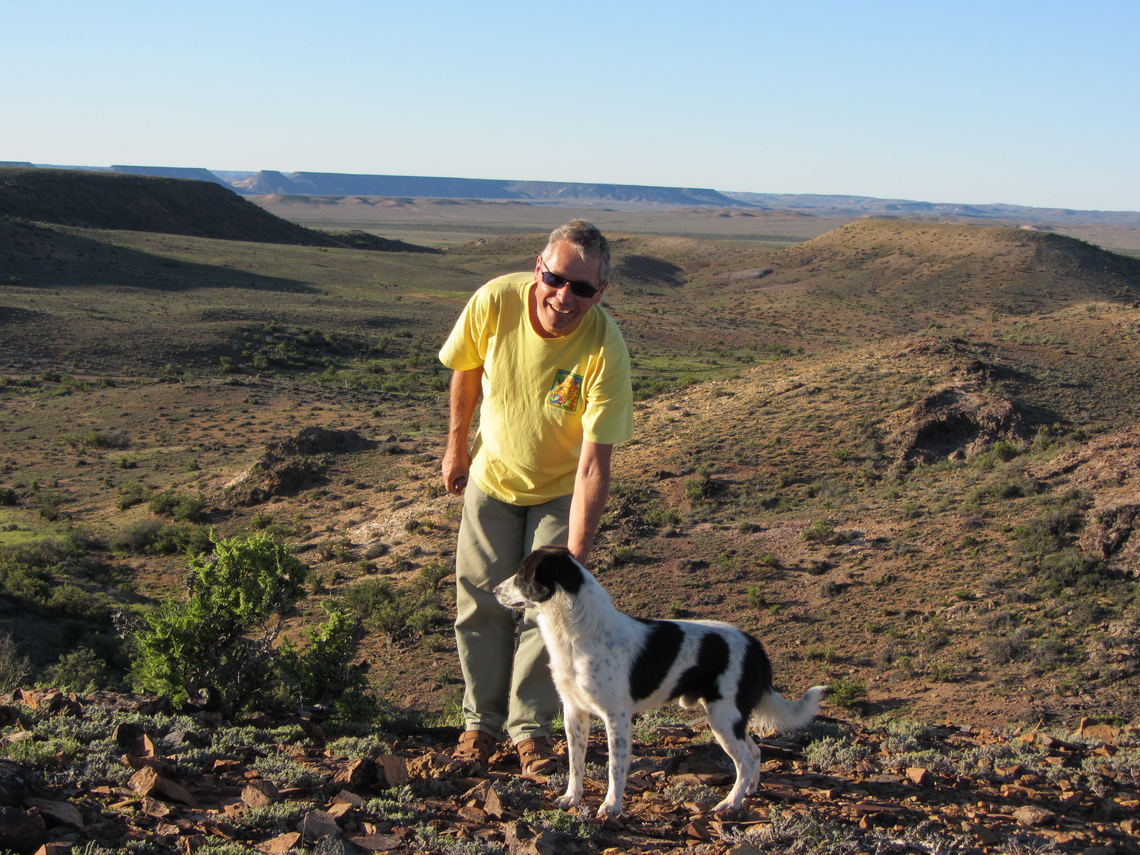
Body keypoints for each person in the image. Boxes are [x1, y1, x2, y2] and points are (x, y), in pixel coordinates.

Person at [438, 220, 634, 775]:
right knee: (478, 601)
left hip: (559, 491)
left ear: (602, 291)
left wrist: (573, 554)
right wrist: (457, 448)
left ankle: (530, 732)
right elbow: (466, 367)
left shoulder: (604, 347)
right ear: (538, 269)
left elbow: (596, 463)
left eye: (583, 288)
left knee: (545, 611)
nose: (564, 296)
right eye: (555, 279)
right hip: (493, 477)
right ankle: (479, 724)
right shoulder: (495, 300)